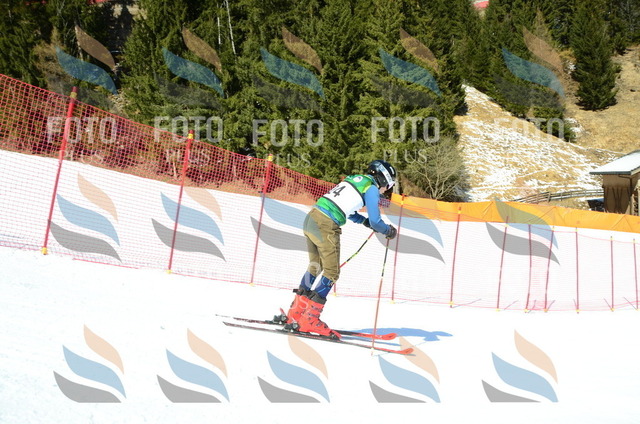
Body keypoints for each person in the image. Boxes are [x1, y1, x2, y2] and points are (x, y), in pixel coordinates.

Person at [281, 160, 398, 338]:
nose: (386, 190)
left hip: (312, 217)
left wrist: (364, 222)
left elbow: (347, 210)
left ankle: (295, 314)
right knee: (332, 272)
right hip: (326, 225)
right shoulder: (372, 188)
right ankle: (310, 320)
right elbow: (376, 221)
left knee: (315, 266)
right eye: (388, 186)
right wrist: (387, 230)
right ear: (384, 179)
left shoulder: (355, 179)